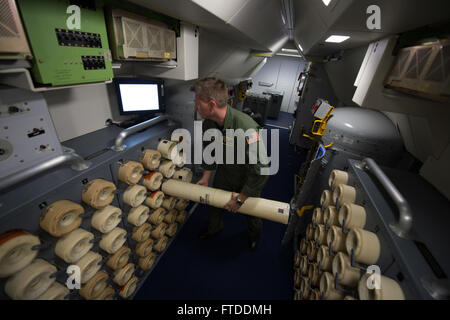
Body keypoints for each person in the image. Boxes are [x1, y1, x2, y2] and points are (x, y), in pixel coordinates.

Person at [191, 77, 269, 250]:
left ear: (211, 104)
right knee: (215, 204)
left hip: (248, 177)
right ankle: (214, 228)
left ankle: (254, 234)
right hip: (225, 172)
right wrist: (205, 178)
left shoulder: (246, 127)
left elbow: (262, 170)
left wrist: (240, 199)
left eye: (198, 103)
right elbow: (209, 152)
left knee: (251, 212)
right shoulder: (209, 124)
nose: (196, 107)